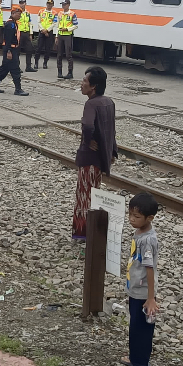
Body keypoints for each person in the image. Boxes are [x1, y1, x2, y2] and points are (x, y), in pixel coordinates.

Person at [117, 191, 160, 366]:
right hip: (135, 288)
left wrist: (150, 298)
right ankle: (136, 359)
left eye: (137, 217)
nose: (132, 220)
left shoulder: (148, 241)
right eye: (130, 215)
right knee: (135, 327)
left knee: (140, 330)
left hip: (143, 293)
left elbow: (150, 269)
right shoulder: (141, 232)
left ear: (149, 218)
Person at [73, 65, 117, 240]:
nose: (82, 83)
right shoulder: (109, 102)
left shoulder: (91, 103)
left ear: (93, 86)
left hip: (89, 158)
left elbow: (88, 125)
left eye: (85, 81)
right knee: (94, 194)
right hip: (101, 159)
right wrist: (112, 151)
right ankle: (93, 232)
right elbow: (111, 129)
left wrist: (88, 140)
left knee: (84, 196)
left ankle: (83, 234)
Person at [0, 1, 28, 96]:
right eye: (18, 14)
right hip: (10, 49)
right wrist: (9, 51)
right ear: (13, 14)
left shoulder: (14, 23)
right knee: (15, 69)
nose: (19, 16)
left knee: (4, 69)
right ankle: (18, 89)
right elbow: (8, 39)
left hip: (12, 49)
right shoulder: (10, 25)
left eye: (20, 14)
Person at [55, 0, 78, 79]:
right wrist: (56, 36)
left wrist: (67, 29)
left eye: (64, 4)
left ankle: (70, 73)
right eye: (62, 5)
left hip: (68, 35)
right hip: (60, 35)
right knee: (59, 54)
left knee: (68, 55)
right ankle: (59, 72)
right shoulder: (60, 13)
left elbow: (75, 25)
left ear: (68, 5)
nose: (63, 6)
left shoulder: (72, 14)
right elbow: (57, 25)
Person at [35, 0, 57, 70]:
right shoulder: (41, 11)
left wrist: (47, 30)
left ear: (52, 5)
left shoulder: (55, 13)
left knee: (48, 49)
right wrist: (43, 30)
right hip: (41, 31)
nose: (49, 5)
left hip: (49, 32)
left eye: (50, 4)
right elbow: (38, 22)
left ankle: (45, 63)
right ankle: (36, 63)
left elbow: (54, 23)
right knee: (39, 48)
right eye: (48, 4)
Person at [16, 0, 35, 71]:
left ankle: (28, 67)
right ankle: (17, 67)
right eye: (20, 3)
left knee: (29, 50)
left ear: (25, 3)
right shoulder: (17, 12)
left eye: (23, 3)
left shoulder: (27, 13)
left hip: (26, 32)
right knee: (17, 50)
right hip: (19, 32)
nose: (22, 4)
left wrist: (31, 33)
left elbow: (29, 23)